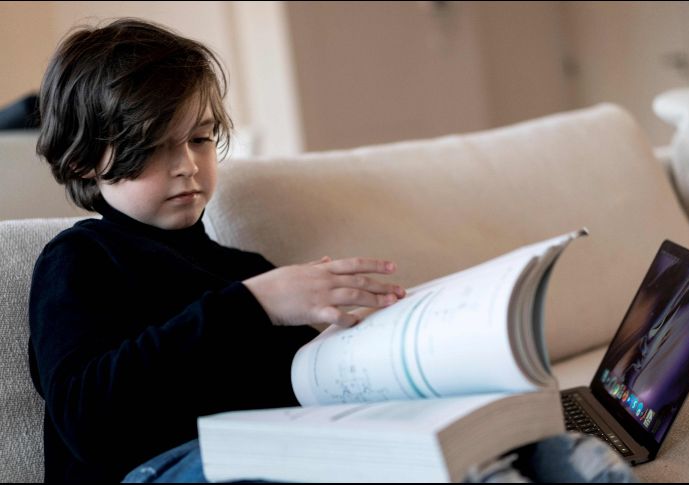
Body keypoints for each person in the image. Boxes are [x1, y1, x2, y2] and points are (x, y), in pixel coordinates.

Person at [28, 18, 406, 483]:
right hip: (162, 469)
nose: (187, 165)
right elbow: (86, 419)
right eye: (151, 146)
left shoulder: (244, 271)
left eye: (200, 139)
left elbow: (301, 391)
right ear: (82, 160)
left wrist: (355, 346)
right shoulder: (82, 258)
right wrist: (255, 304)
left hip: (275, 449)